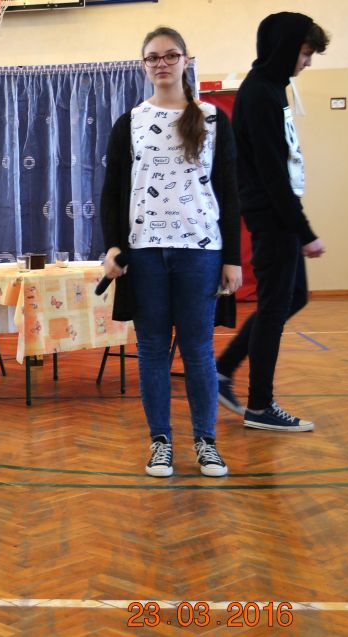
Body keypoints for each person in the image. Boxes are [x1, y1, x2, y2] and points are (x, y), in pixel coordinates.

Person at [101, 27, 241, 477]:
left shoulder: (213, 119)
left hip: (200, 252)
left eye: (170, 55)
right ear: (144, 65)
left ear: (185, 60)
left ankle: (206, 442)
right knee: (152, 350)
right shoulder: (130, 122)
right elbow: (112, 191)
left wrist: (233, 258)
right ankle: (160, 441)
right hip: (145, 254)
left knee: (198, 350)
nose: (161, 63)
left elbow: (230, 191)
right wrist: (113, 245)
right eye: (153, 57)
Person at [215, 13, 329, 432]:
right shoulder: (260, 94)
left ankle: (222, 370)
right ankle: (260, 406)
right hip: (273, 217)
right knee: (275, 307)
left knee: (292, 298)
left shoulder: (272, 89)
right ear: (284, 48)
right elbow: (271, 173)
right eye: (305, 52)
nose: (308, 62)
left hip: (279, 215)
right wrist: (303, 230)